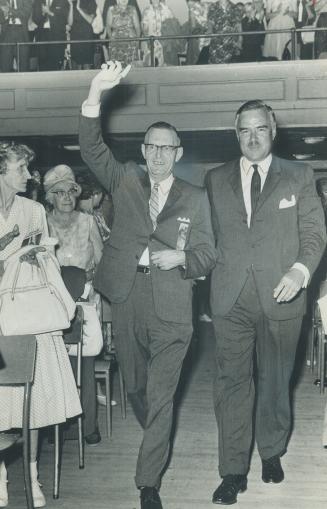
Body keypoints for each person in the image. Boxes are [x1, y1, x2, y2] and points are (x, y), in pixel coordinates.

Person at [79, 61, 216, 509]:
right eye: (151, 147)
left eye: (166, 149)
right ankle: (156, 437)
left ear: (178, 153)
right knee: (136, 386)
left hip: (175, 304)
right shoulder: (125, 181)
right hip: (128, 297)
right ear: (143, 151)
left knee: (162, 396)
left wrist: (183, 257)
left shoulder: (196, 197)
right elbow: (91, 147)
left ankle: (147, 483)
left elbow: (209, 254)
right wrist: (96, 92)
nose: (158, 155)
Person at [205, 99, 326, 505]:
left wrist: (300, 271)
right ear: (235, 133)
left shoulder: (299, 175)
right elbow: (209, 240)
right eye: (244, 130)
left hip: (282, 294)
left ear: (273, 130)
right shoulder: (215, 179)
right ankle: (232, 470)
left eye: (260, 128)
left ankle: (271, 452)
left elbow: (315, 234)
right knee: (232, 385)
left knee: (275, 381)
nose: (252, 137)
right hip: (231, 298)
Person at [0, 143, 81, 508]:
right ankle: (0, 475)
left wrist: (33, 253)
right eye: (20, 168)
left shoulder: (33, 210)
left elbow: (45, 262)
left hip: (28, 313)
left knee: (32, 405)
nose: (28, 175)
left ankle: (31, 475)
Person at [43, 164, 104, 446]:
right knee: (55, 367)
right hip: (53, 303)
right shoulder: (42, 224)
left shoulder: (88, 222)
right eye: (59, 192)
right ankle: (58, 427)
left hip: (84, 301)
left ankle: (88, 426)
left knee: (85, 365)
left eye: (71, 191)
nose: (66, 197)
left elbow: (102, 261)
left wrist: (89, 278)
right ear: (50, 197)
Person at [32, 0, 69, 71]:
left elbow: (64, 20)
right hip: (42, 37)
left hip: (56, 38)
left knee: (56, 66)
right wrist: (43, 13)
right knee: (43, 66)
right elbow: (35, 19)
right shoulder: (38, 1)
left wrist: (49, 12)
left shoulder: (63, 1)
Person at [0, 0, 33, 72]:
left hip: (22, 35)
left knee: (23, 67)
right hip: (6, 35)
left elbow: (26, 13)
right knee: (5, 67)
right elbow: (1, 18)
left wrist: (10, 10)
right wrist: (5, 14)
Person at [105, 0, 140, 66]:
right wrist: (111, 38)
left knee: (131, 65)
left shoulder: (133, 9)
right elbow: (108, 26)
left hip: (131, 42)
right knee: (116, 65)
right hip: (116, 42)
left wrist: (137, 40)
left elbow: (137, 27)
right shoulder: (111, 9)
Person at [207, 0, 242, 64]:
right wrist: (210, 30)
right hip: (216, 44)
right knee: (215, 67)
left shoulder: (235, 8)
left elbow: (238, 26)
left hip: (231, 44)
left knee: (230, 68)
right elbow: (210, 22)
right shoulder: (212, 7)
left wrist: (240, 40)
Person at [67, 0, 98, 69]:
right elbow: (70, 23)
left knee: (86, 64)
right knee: (76, 64)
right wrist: (71, 6)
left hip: (86, 36)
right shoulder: (72, 2)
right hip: (75, 36)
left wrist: (79, 9)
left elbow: (90, 20)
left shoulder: (91, 2)